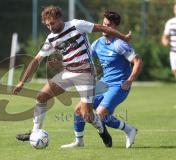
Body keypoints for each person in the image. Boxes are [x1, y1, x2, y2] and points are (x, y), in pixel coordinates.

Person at [14, 6, 131, 146]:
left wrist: (123, 37)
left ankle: (102, 131)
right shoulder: (51, 39)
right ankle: (35, 131)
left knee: (87, 116)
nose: (50, 27)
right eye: (47, 25)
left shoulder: (77, 25)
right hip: (68, 72)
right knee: (41, 96)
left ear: (59, 19)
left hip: (85, 73)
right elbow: (36, 60)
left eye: (52, 23)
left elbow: (103, 28)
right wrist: (22, 82)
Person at [61, 11, 143, 148]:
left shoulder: (119, 44)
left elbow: (138, 61)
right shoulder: (98, 43)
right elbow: (85, 59)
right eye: (104, 24)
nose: (105, 27)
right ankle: (79, 141)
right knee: (79, 110)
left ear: (115, 27)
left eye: (109, 25)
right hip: (104, 84)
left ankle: (129, 130)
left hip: (119, 85)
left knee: (100, 115)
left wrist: (130, 80)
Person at [162, 3, 176, 79]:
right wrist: (165, 41)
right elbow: (165, 36)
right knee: (174, 70)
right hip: (173, 51)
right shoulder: (170, 22)